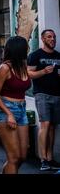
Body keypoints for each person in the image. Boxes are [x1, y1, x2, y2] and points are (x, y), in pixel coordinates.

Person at [0, 36, 31, 174]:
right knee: (13, 158)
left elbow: (33, 75)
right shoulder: (4, 68)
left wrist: (45, 72)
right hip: (5, 111)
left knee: (22, 155)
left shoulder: (22, 66)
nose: (28, 49)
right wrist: (9, 114)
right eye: (26, 47)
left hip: (21, 110)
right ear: (19, 50)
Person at [27, 29, 60, 171]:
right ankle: (43, 159)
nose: (52, 39)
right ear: (43, 39)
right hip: (42, 94)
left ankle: (50, 158)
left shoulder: (59, 56)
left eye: (54, 37)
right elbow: (29, 73)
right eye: (49, 37)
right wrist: (43, 72)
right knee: (45, 124)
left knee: (52, 126)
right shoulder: (35, 55)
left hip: (57, 95)